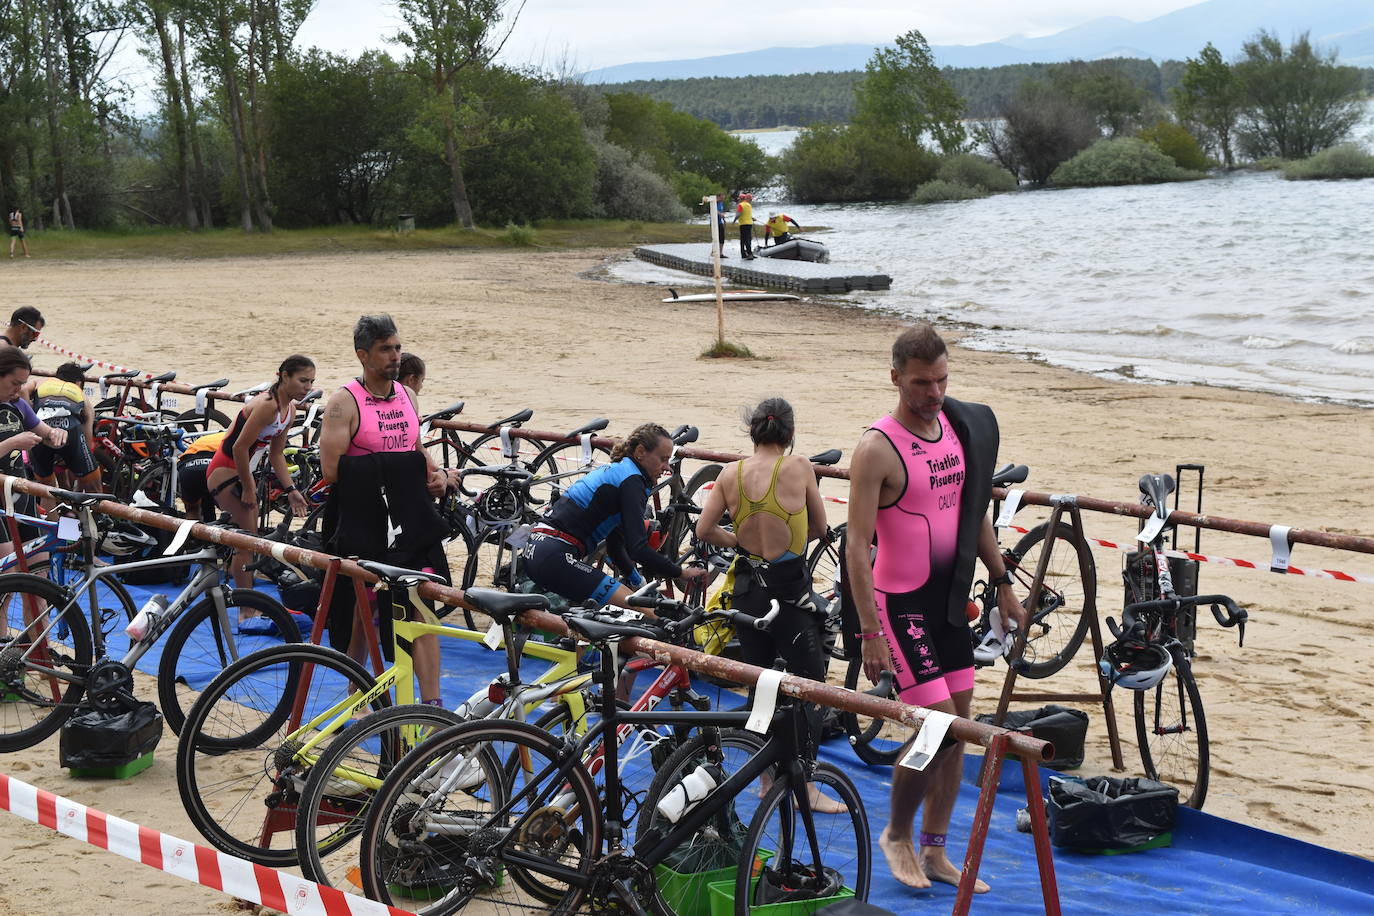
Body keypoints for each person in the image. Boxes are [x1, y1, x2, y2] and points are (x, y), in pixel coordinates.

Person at [844, 323, 1028, 893]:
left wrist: (1002, 582)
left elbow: (973, 514)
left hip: (948, 602)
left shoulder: (956, 427)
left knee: (961, 729)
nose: (934, 393)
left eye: (942, 380)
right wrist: (870, 631)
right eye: (922, 383)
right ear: (896, 377)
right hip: (900, 606)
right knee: (937, 727)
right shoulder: (877, 448)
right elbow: (855, 546)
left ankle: (936, 848)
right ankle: (897, 833)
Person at [695, 397, 844, 813]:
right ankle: (805, 786)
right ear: (790, 434)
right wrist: (789, 542)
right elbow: (820, 526)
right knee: (809, 685)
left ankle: (765, 781)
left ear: (752, 431)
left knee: (760, 687)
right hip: (788, 594)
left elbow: (705, 529)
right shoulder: (799, 468)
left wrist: (739, 541)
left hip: (747, 593)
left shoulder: (730, 473)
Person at [319, 315, 455, 707]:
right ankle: (357, 695)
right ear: (363, 355)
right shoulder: (343, 403)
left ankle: (433, 706)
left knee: (423, 605)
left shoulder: (408, 396)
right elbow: (331, 471)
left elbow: (414, 449)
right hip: (365, 520)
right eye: (385, 349)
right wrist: (397, 470)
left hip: (410, 518)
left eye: (397, 347)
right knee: (364, 613)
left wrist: (437, 474)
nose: (395, 355)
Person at [523, 422, 707, 609]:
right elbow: (638, 549)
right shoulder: (632, 481)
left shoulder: (622, 470)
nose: (667, 467)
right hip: (555, 556)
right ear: (641, 452)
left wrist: (637, 581)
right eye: (663, 459)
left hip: (539, 549)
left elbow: (615, 544)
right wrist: (681, 573)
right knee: (648, 612)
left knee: (618, 609)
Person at [207, 355, 314, 599]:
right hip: (224, 471)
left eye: (311, 382)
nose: (308, 387)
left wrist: (291, 491)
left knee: (246, 541)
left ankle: (243, 601)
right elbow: (238, 447)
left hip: (241, 473)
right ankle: (246, 608)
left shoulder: (290, 409)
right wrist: (248, 486)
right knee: (246, 544)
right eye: (303, 380)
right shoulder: (268, 405)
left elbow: (276, 454)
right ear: (284, 376)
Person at [0, 346, 69, 552]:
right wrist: (13, 442)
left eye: (22, 384)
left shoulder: (18, 405)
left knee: (41, 566)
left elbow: (46, 433)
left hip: (20, 492)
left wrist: (57, 434)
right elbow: (16, 441)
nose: (19, 390)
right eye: (14, 383)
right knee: (9, 571)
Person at [28, 361, 102, 493]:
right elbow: (87, 436)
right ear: (78, 383)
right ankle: (90, 510)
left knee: (47, 489)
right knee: (90, 483)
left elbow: (22, 390)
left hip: (39, 428)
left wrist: (29, 414)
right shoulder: (78, 391)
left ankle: (59, 508)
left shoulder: (42, 381)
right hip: (69, 430)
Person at [178, 430, 227, 521]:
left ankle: (192, 533)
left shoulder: (212, 437)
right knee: (236, 512)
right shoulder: (245, 436)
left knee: (193, 512)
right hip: (213, 465)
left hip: (188, 466)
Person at [734, 192, 756, 259]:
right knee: (748, 239)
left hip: (743, 224)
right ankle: (748, 253)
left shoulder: (740, 205)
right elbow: (747, 214)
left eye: (739, 199)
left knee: (744, 240)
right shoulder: (749, 205)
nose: (738, 200)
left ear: (741, 199)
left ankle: (747, 254)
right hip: (749, 224)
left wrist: (734, 220)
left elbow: (738, 214)